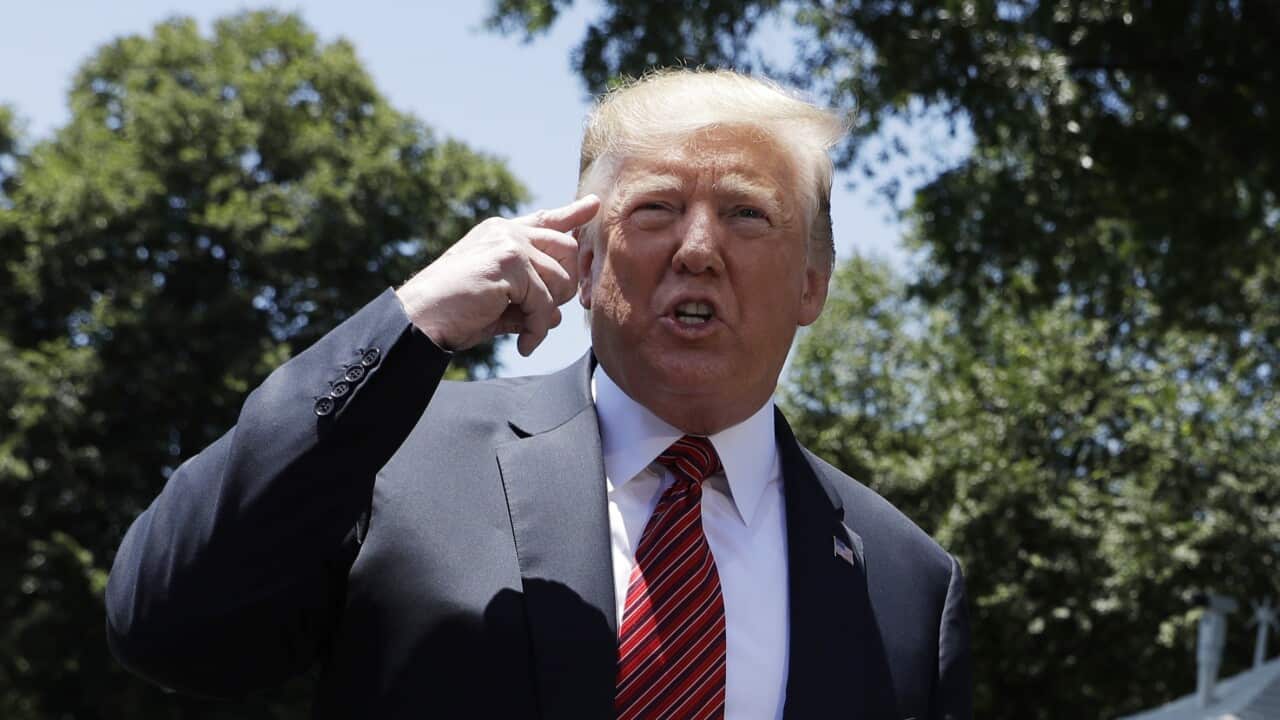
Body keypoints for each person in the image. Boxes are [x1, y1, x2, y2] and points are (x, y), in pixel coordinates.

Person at [107, 69, 972, 719]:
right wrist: (409, 326)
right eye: (656, 209)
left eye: (748, 214)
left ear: (813, 284)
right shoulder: (396, 457)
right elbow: (165, 622)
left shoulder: (908, 581)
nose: (699, 249)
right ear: (585, 259)